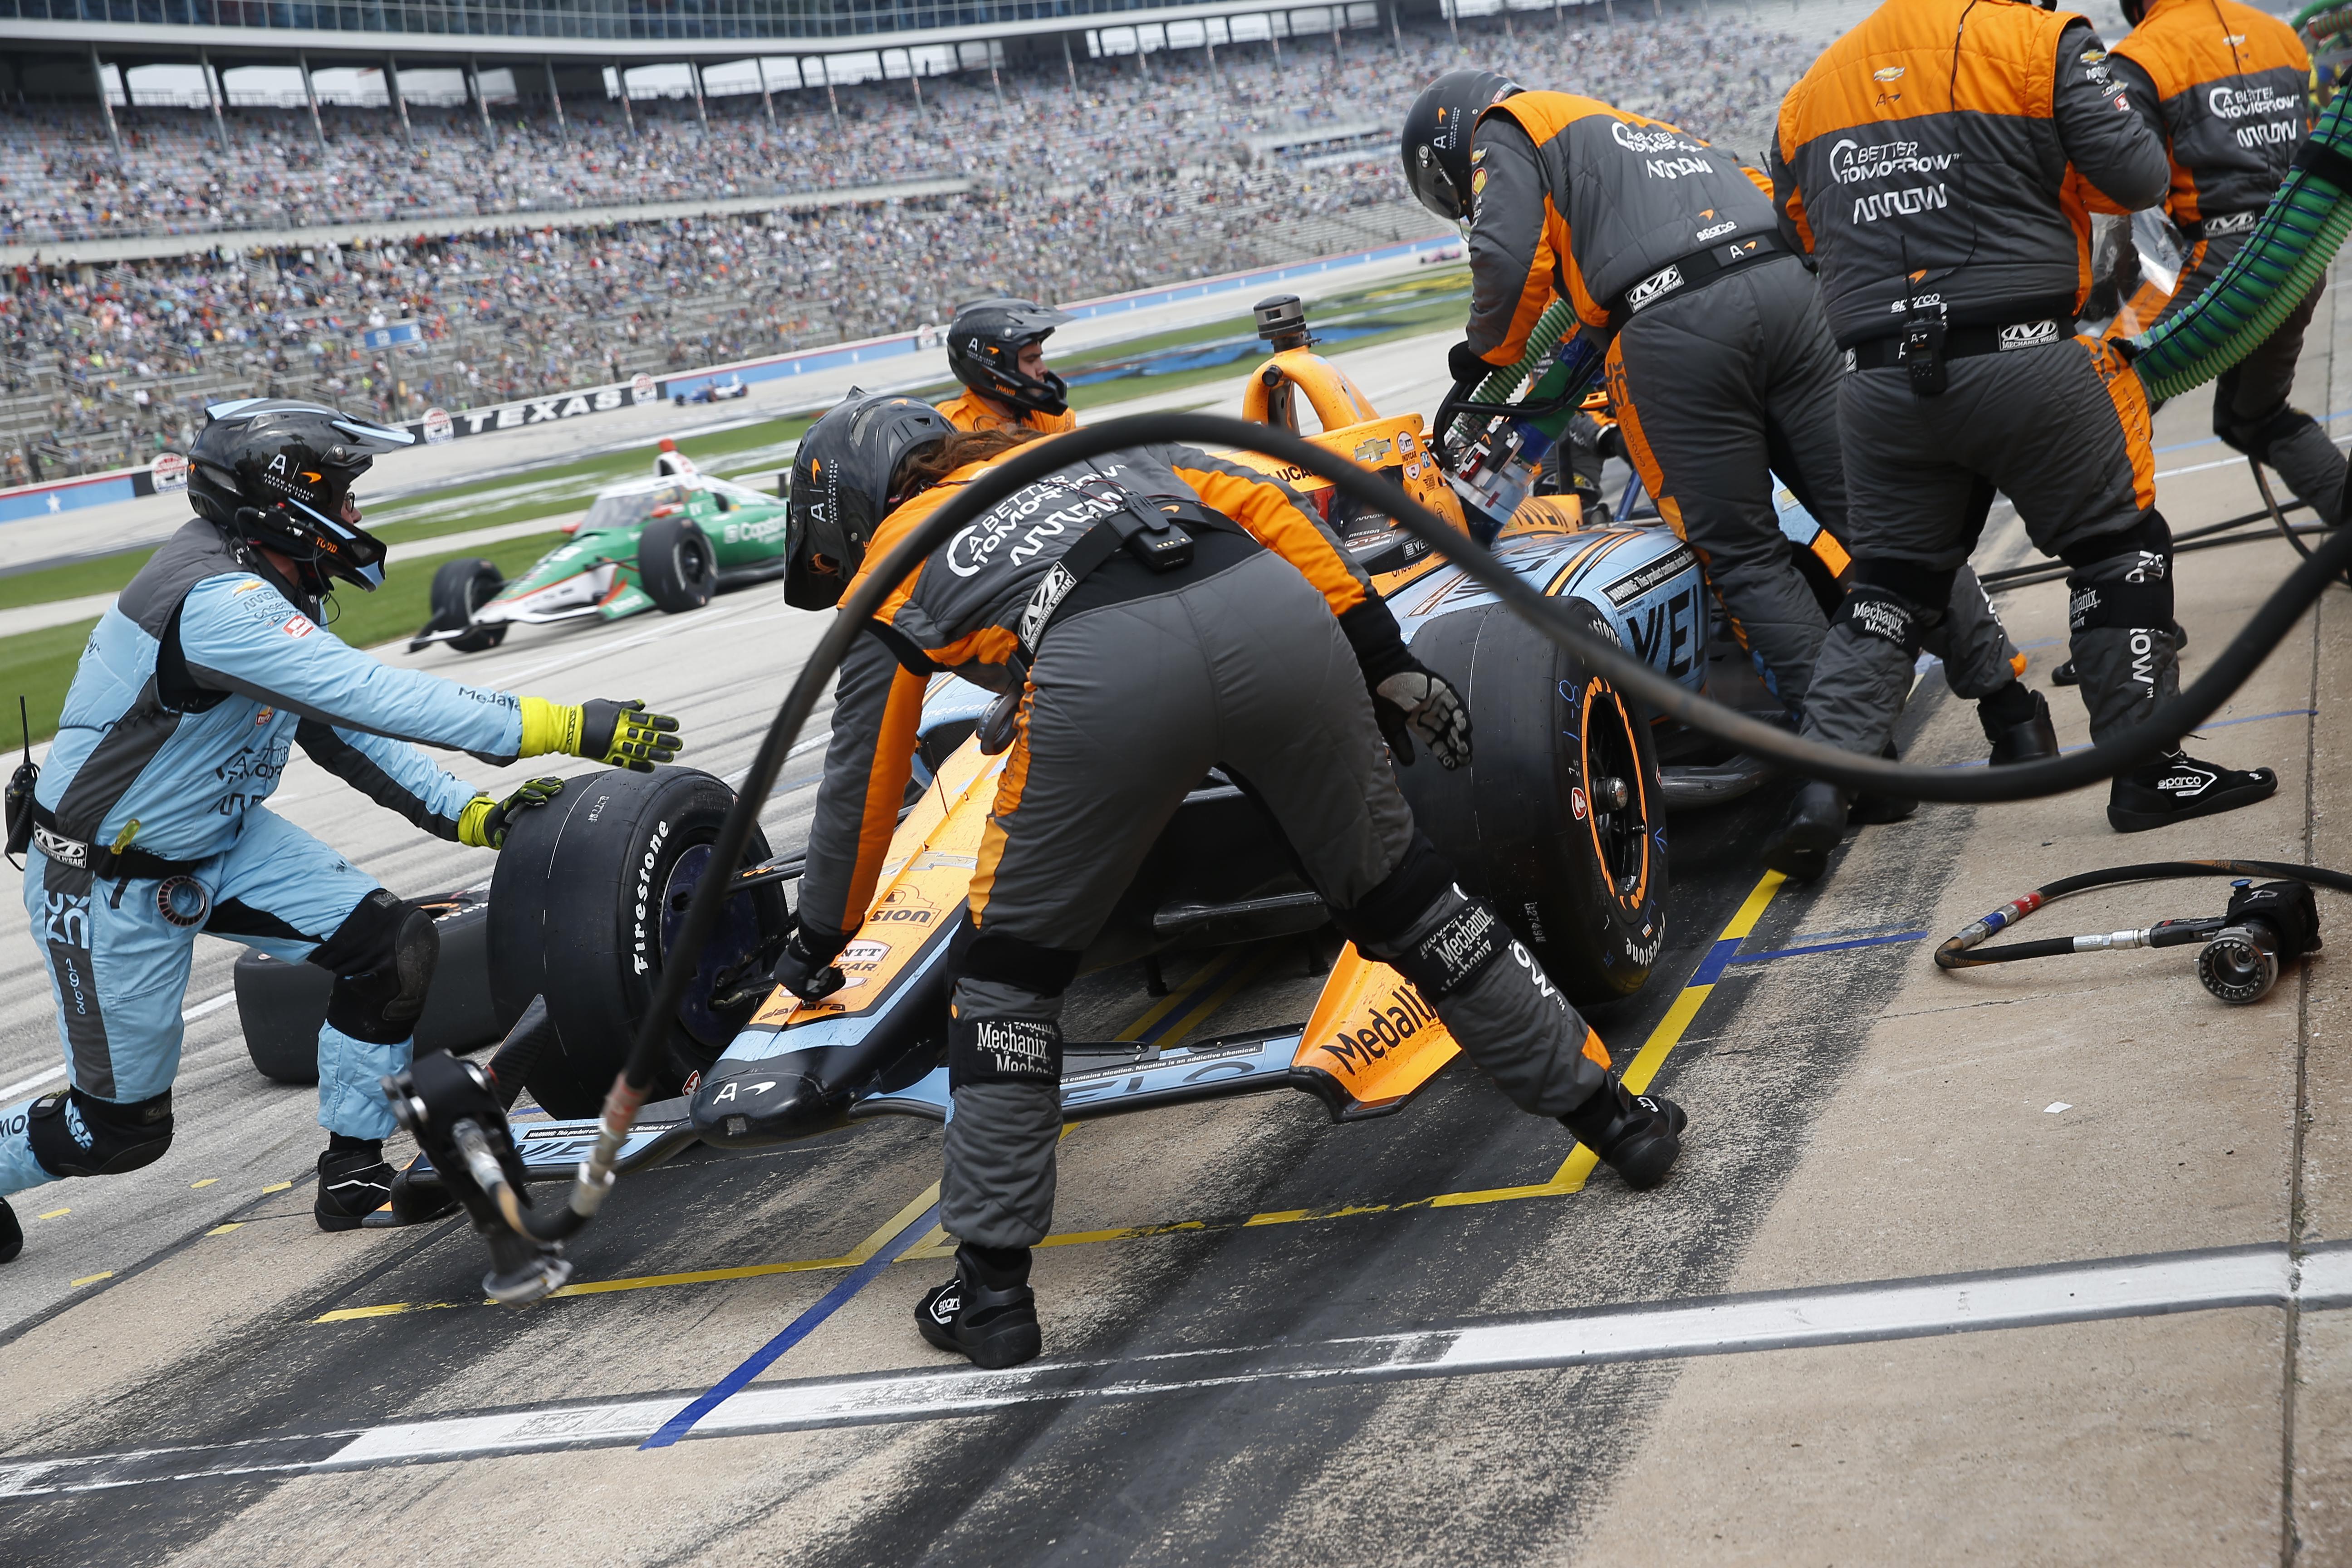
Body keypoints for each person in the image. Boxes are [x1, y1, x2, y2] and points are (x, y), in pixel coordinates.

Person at [770, 392, 1689, 1370]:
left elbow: (861, 783)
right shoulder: (1092, 454)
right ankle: (1617, 1121)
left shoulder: (897, 554)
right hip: (1273, 614)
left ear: (855, 501)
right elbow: (1269, 502)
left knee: (1010, 978)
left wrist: (820, 936)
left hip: (1105, 677)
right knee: (1414, 903)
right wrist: (1384, 657)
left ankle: (992, 1292)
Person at [0, 398, 687, 1265]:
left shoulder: (272, 584)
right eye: (343, 491)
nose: (356, 514)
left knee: (391, 948)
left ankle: (352, 1172)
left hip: (216, 840)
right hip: (102, 878)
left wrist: (463, 810)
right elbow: (378, 699)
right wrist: (561, 724)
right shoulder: (218, 602)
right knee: (121, 1131)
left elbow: (341, 731)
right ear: (285, 497)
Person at [1400, 69, 2052, 795]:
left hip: (1674, 328)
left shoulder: (1506, 126)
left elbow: (1505, 256)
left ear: (1450, 142)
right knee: (1891, 531)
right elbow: (1779, 202)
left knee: (1745, 559)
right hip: (1788, 299)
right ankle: (2013, 712)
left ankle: (1859, 767)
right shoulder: (1644, 129)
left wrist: (1486, 351)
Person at [1764, 0, 2283, 879]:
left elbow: (1801, 234)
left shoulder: (1813, 90)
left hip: (1881, 385)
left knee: (1888, 586)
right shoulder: (2042, 41)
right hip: (2023, 358)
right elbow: (2139, 177)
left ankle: (1821, 790)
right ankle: (2147, 770)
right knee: (2119, 548)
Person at [2105, 0, 2338, 525]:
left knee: (2098, 395)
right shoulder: (2277, 35)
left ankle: (2120, 571)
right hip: (2299, 256)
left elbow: (2121, 187)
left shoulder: (2139, 56)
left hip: (2219, 263)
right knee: (2254, 416)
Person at [937, 298, 1081, 436]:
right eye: (1030, 360)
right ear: (993, 364)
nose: (1043, 369)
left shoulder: (1056, 420)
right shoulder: (950, 428)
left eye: (1039, 357)